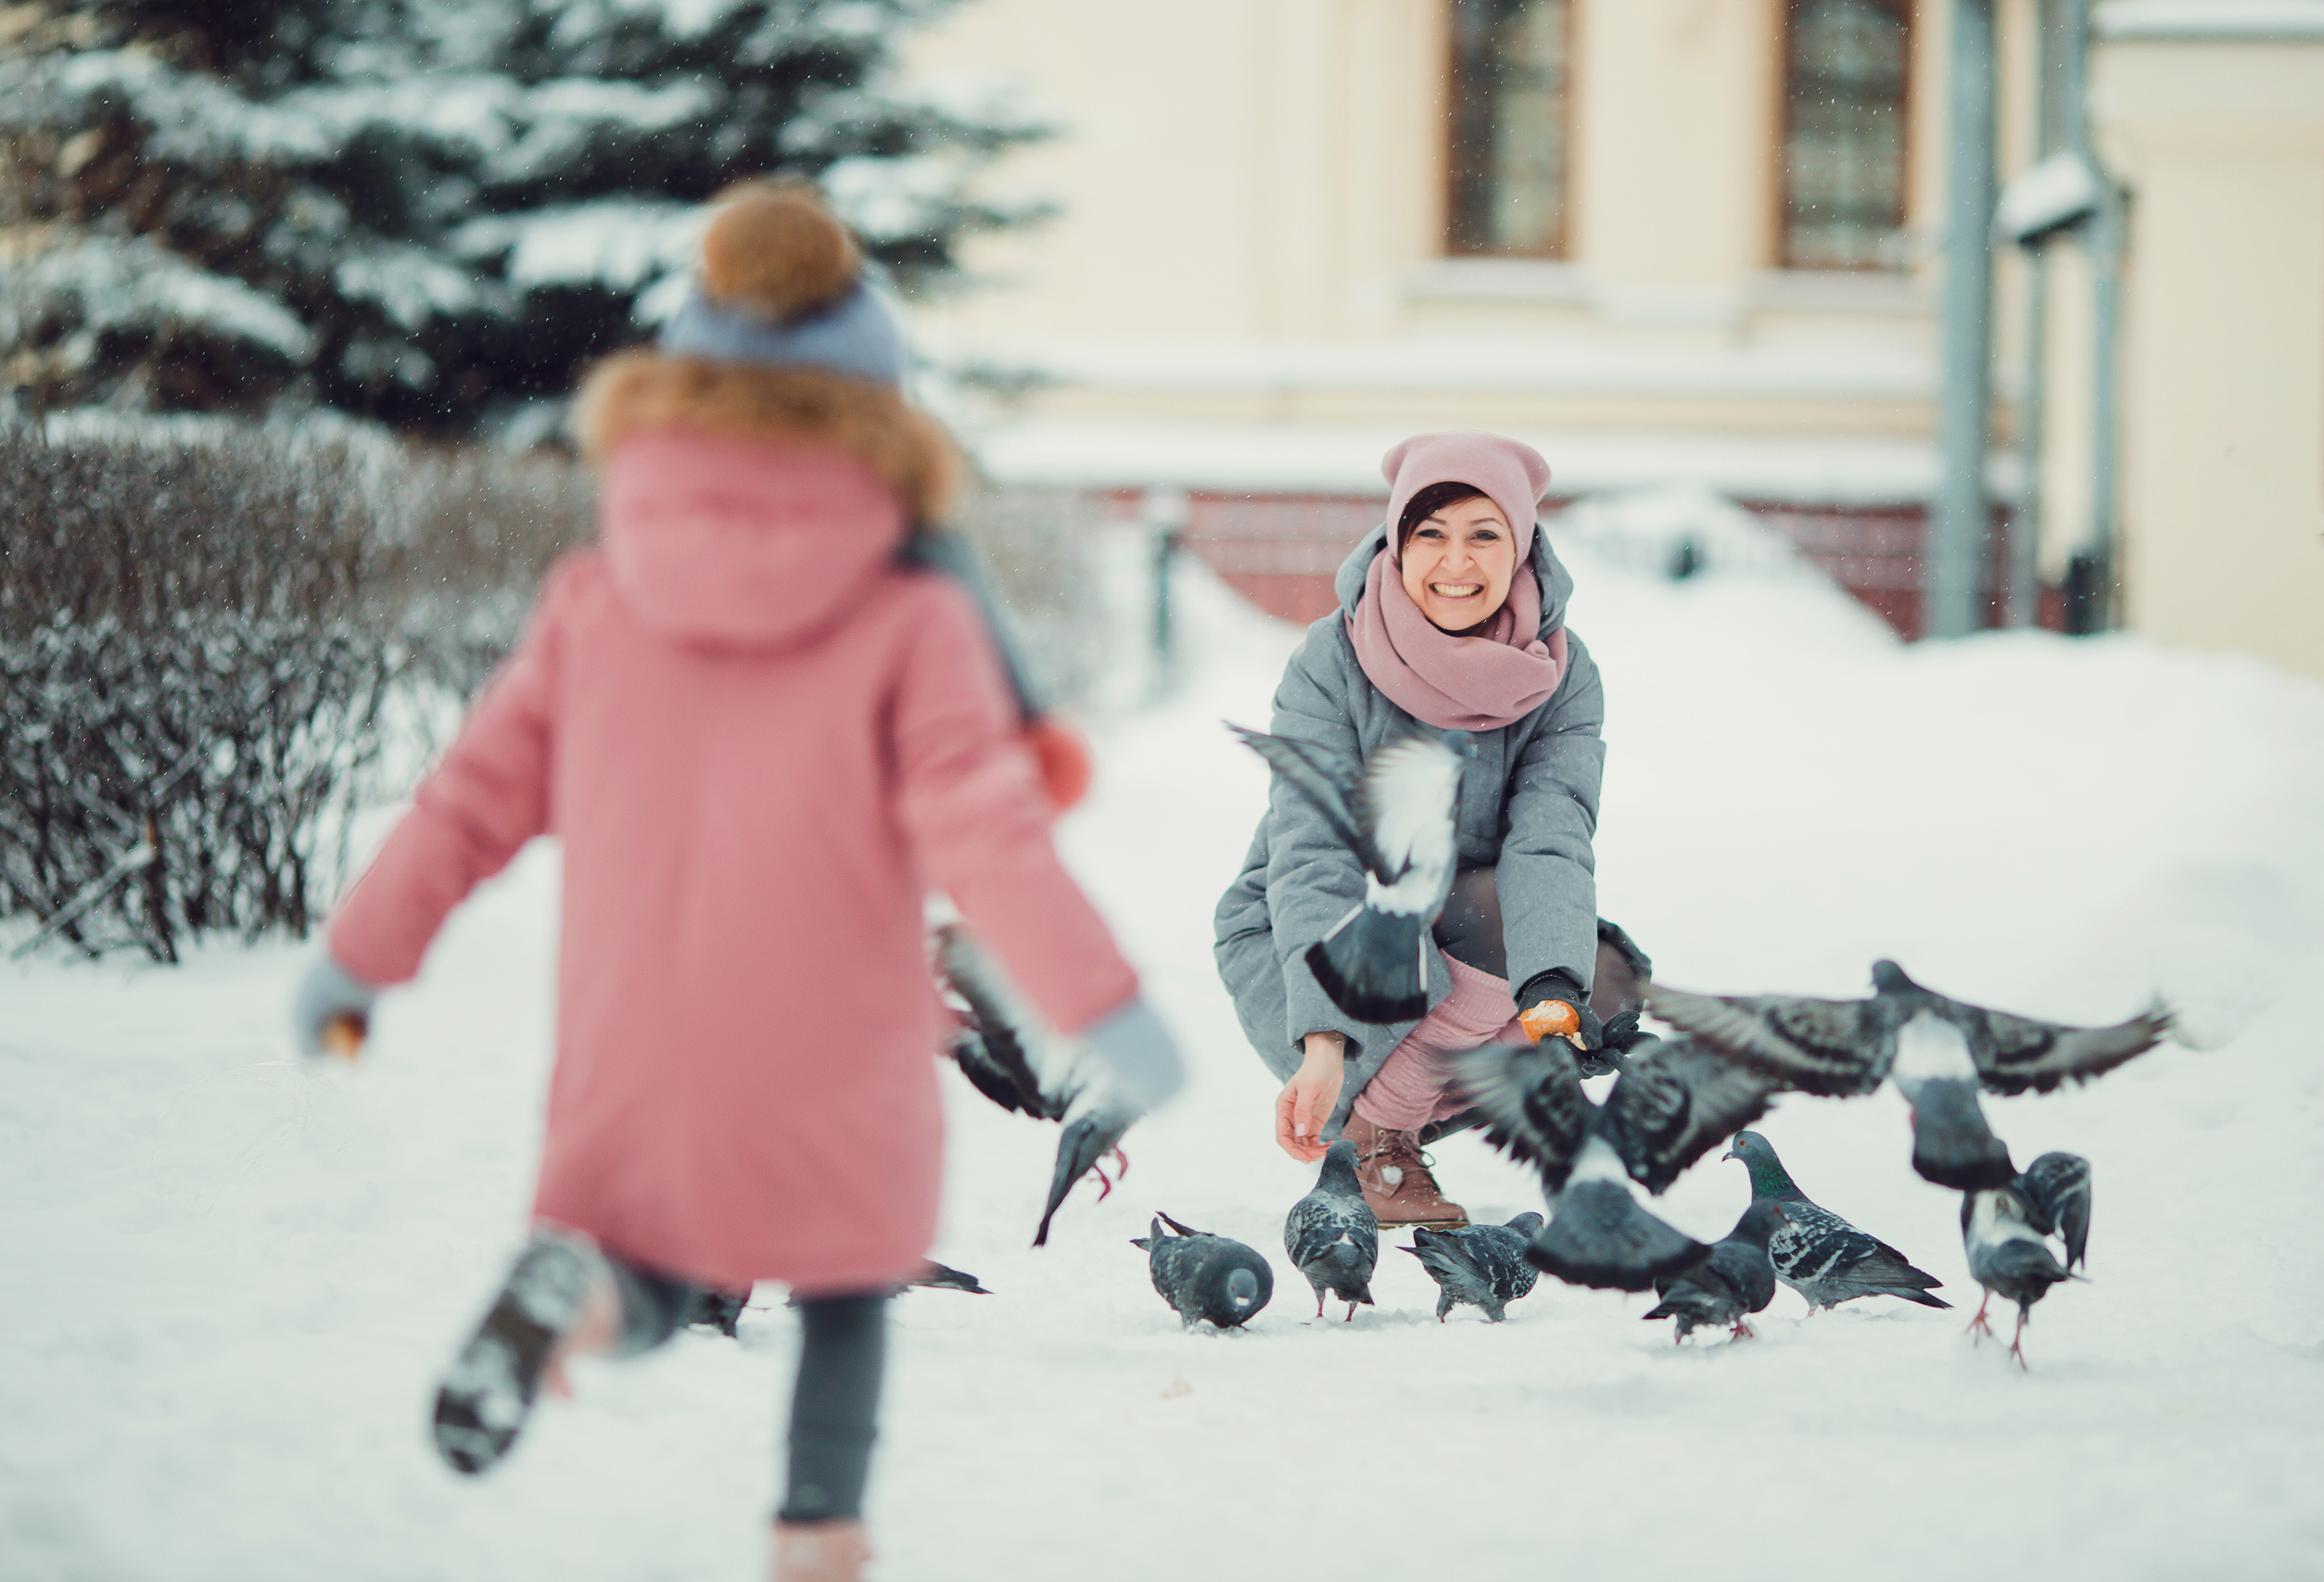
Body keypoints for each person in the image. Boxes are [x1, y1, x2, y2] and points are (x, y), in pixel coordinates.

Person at [289, 182, 1181, 1582]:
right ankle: (819, 1529)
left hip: (636, 1029)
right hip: (834, 1030)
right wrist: (1105, 1006)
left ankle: (576, 1299)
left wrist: (358, 958)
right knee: (844, 1281)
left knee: (643, 1256)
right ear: (882, 416)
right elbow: (986, 830)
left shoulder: (596, 595)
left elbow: (470, 801)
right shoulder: (914, 612)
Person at [1213, 433, 1644, 1227]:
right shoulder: (1331, 659)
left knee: (1601, 976)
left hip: (1461, 927)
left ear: (1520, 547)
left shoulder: (1561, 671)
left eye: (1484, 535)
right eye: (1430, 534)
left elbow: (1550, 836)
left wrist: (1554, 989)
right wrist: (1322, 1040)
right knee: (1490, 927)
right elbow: (1314, 853)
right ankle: (1378, 1135)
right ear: (1396, 542)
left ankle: (1404, 1109)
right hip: (1315, 927)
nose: (1456, 562)